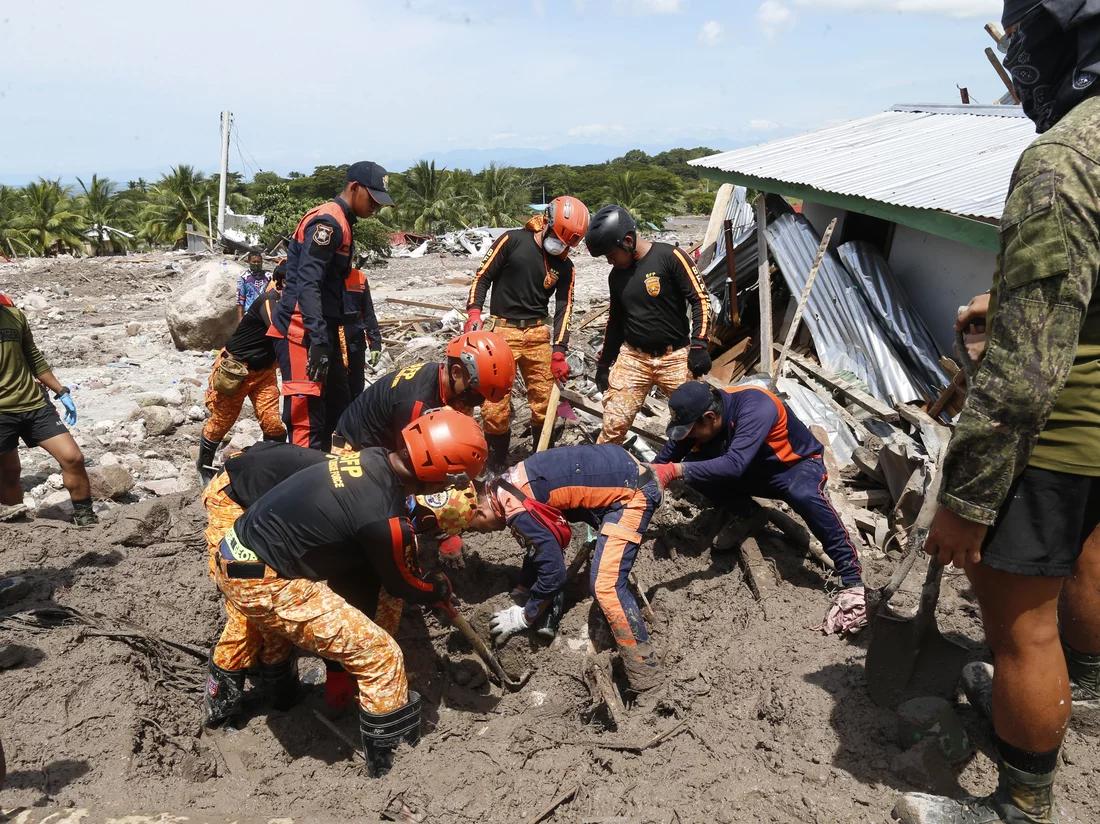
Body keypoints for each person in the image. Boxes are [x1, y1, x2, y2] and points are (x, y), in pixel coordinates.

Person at [892, 3, 1100, 822]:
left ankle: (1021, 803)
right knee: (1089, 559)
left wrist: (967, 499)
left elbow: (1020, 379)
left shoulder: (1062, 159)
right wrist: (1007, 298)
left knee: (1020, 626)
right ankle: (1080, 693)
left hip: (1057, 428)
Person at [204, 408, 486, 776]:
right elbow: (404, 585)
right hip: (264, 579)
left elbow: (363, 577)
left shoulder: (370, 460)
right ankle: (390, 765)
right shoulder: (384, 519)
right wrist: (436, 587)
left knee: (272, 632)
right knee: (380, 653)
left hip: (239, 553)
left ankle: (250, 706)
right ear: (438, 475)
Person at [650, 381, 865, 632]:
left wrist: (676, 470)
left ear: (709, 417)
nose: (689, 437)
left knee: (804, 495)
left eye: (692, 431)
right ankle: (747, 513)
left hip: (792, 467)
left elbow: (733, 464)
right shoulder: (701, 418)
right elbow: (664, 460)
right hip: (752, 468)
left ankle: (852, 578)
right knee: (698, 470)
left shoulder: (756, 407)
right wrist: (645, 475)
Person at [466, 443, 664, 692]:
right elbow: (539, 542)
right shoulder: (505, 485)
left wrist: (526, 616)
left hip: (632, 492)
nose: (480, 532)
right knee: (561, 559)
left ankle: (647, 677)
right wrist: (524, 587)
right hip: (616, 468)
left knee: (606, 587)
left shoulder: (516, 509)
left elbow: (554, 572)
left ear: (481, 511)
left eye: (475, 527)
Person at [267, 161, 393, 452]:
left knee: (339, 406)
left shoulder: (343, 221)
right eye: (372, 199)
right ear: (354, 188)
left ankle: (328, 476)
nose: (376, 208)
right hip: (303, 330)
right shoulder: (329, 223)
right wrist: (319, 342)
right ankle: (301, 485)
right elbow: (308, 284)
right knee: (307, 419)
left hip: (321, 328)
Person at [463, 195, 589, 469]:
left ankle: (540, 463)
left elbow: (565, 306)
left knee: (545, 404)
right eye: (559, 238)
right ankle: (496, 466)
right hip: (502, 332)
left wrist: (559, 350)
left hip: (537, 335)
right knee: (494, 407)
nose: (561, 246)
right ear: (547, 221)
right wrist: (474, 312)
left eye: (568, 244)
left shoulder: (565, 265)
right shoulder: (512, 241)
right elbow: (482, 276)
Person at [584, 205, 713, 445]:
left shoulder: (670, 257)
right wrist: (604, 364)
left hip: (675, 357)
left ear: (628, 241)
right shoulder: (617, 276)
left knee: (698, 423)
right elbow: (615, 322)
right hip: (634, 358)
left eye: (611, 254)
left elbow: (700, 299)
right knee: (613, 425)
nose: (610, 261)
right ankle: (604, 474)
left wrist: (699, 344)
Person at [333, 330, 515, 454]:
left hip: (387, 441)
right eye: (478, 395)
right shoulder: (418, 403)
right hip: (354, 451)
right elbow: (409, 460)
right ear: (456, 372)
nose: (480, 402)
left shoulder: (445, 380)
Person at [0, 292, 96, 526]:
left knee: (73, 457)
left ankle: (85, 518)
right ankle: (18, 525)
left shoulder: (13, 315)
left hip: (34, 403)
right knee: (9, 472)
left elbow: (33, 357)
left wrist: (61, 391)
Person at [197, 263, 288, 484]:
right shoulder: (269, 301)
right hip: (236, 370)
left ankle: (270, 466)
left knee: (273, 423)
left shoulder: (291, 304)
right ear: (280, 283)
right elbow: (281, 329)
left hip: (264, 372)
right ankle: (204, 467)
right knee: (221, 421)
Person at [342, 266, 383, 400]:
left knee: (356, 387)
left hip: (356, 341)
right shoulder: (326, 274)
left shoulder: (359, 277)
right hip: (335, 342)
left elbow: (368, 313)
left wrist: (375, 343)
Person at [236, 251, 270, 321]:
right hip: (250, 313)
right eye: (254, 262)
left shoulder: (268, 276)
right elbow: (240, 299)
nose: (256, 264)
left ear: (262, 262)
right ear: (249, 262)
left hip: (265, 313)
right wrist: (240, 318)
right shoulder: (243, 277)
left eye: (259, 262)